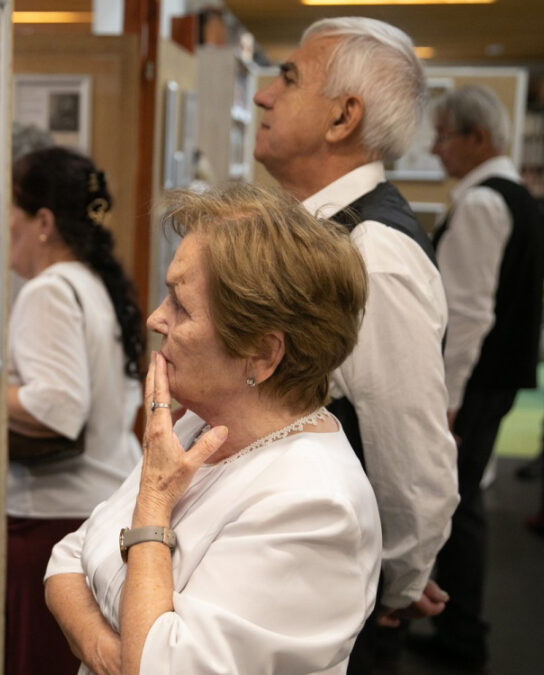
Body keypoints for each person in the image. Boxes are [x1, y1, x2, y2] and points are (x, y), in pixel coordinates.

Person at [45, 184, 379, 674]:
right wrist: (106, 651)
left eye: (180, 305)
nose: (157, 318)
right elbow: (67, 559)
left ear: (262, 354)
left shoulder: (314, 506)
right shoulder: (202, 425)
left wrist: (154, 501)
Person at [252, 17, 459, 671]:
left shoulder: (375, 252)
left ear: (344, 117)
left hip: (334, 601)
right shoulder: (321, 230)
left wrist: (395, 581)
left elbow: (412, 458)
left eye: (287, 79)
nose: (263, 95)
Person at [6, 147, 145, 675]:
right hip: (99, 499)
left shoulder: (49, 291)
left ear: (42, 222)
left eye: (14, 216)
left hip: (53, 515)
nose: (9, 230)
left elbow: (59, 406)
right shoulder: (95, 282)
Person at [421, 84, 544, 669]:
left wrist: (445, 403)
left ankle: (461, 633)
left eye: (444, 135)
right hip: (497, 380)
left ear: (478, 137)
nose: (435, 147)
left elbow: (466, 314)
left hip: (474, 383)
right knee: (462, 503)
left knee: (456, 504)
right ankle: (458, 625)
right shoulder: (515, 195)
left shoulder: (481, 203)